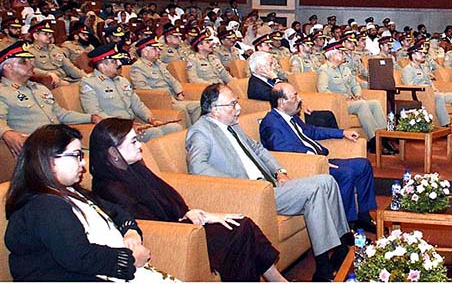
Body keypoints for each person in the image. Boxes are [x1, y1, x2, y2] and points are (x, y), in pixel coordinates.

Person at [186, 83, 351, 281]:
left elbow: (258, 149)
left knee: (327, 181)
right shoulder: (200, 132)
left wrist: (279, 171)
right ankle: (323, 268)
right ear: (214, 110)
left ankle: (341, 244)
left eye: (237, 103)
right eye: (232, 104)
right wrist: (240, 185)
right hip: (253, 193)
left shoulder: (232, 126)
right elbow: (198, 167)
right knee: (316, 189)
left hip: (270, 184)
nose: (238, 108)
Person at [88, 118, 286, 282]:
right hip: (173, 237)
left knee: (241, 224)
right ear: (113, 153)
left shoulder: (134, 168)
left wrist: (195, 213)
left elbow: (167, 197)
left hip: (182, 223)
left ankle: (277, 281)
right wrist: (193, 220)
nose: (140, 145)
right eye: (133, 142)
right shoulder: (109, 187)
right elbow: (149, 224)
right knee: (240, 228)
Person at [4, 124, 164, 281]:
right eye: (76, 155)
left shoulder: (70, 191)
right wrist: (131, 259)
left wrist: (130, 231)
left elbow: (115, 211)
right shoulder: (44, 205)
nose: (83, 163)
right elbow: (78, 256)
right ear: (50, 161)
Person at [259, 82, 378, 233]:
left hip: (320, 159)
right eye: (294, 96)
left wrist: (342, 133)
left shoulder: (292, 116)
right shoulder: (270, 123)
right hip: (307, 166)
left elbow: (312, 131)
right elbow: (282, 151)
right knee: (345, 173)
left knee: (363, 165)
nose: (299, 99)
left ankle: (363, 216)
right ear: (282, 102)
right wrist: (318, 162)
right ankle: (347, 225)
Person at [0, 41, 100, 156]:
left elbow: (60, 114)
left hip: (61, 141)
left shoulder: (39, 88)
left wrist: (91, 117)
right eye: (23, 61)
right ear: (8, 67)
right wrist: (6, 133)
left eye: (30, 60)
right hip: (38, 149)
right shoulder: (3, 92)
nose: (31, 64)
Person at [80, 43, 183, 142]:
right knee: (154, 133)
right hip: (116, 131)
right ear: (103, 66)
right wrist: (125, 126)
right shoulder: (89, 83)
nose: (120, 64)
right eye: (114, 61)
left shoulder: (122, 80)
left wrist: (150, 118)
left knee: (175, 128)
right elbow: (95, 113)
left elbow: (137, 104)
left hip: (132, 125)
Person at [317, 41, 393, 155]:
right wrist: (342, 99)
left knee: (374, 103)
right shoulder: (324, 70)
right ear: (331, 54)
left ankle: (384, 137)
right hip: (338, 103)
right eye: (340, 52)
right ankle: (374, 141)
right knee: (362, 104)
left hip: (351, 101)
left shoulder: (345, 68)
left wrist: (357, 94)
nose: (343, 54)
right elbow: (323, 90)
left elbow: (354, 84)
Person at [248, 51, 338, 129]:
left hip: (293, 111)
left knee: (328, 115)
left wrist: (301, 105)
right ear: (260, 68)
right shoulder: (256, 86)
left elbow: (291, 91)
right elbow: (283, 94)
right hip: (286, 118)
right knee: (323, 120)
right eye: (270, 64)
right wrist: (275, 78)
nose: (274, 67)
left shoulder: (267, 79)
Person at [401, 43, 452, 136]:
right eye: (420, 53)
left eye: (424, 53)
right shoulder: (408, 69)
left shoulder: (424, 68)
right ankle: (446, 125)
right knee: (439, 97)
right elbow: (409, 86)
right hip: (421, 94)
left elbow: (430, 82)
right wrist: (429, 90)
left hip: (432, 93)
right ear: (413, 55)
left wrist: (434, 89)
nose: (423, 55)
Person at [129, 35, 202, 125]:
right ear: (145, 52)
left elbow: (173, 80)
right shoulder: (137, 67)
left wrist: (179, 92)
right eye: (155, 49)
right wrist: (164, 99)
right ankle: (189, 133)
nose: (159, 51)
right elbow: (143, 90)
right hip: (161, 101)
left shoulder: (159, 64)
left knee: (198, 105)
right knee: (182, 109)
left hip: (174, 98)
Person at [27, 20, 87, 86]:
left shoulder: (56, 49)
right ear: (35, 36)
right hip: (48, 82)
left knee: (88, 83)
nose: (49, 36)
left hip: (65, 79)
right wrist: (47, 74)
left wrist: (86, 76)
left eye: (50, 34)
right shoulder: (30, 52)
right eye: (45, 34)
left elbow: (69, 67)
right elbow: (31, 69)